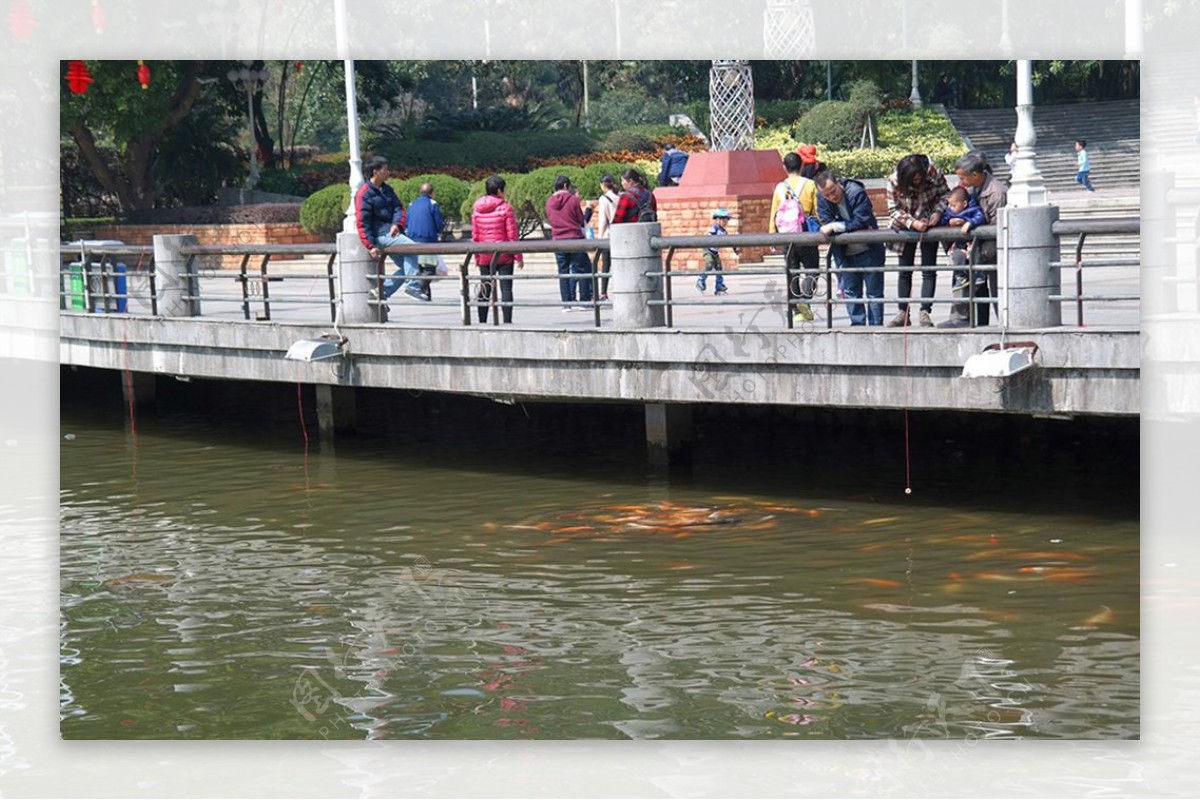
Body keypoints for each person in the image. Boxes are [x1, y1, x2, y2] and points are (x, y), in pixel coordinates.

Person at [938, 150, 1008, 328]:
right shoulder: (969, 189)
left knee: (995, 289)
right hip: (973, 248)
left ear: (975, 175)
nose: (961, 183)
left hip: (989, 250)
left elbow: (996, 227)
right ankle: (967, 320)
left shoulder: (996, 193)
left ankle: (1005, 325)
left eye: (963, 178)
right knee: (968, 282)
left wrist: (972, 225)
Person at [885, 153, 949, 328]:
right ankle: (902, 312)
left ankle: (925, 311)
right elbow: (893, 209)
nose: (917, 181)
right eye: (913, 179)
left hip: (929, 222)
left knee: (929, 269)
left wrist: (937, 213)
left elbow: (946, 195)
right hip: (905, 224)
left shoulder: (934, 172)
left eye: (919, 177)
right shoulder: (893, 180)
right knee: (904, 270)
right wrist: (912, 223)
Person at [815, 169, 885, 326]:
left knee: (874, 295)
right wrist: (837, 226)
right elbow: (825, 220)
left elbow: (862, 219)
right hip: (844, 254)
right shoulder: (821, 198)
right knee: (851, 294)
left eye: (833, 191)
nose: (832, 197)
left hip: (869, 251)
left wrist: (836, 226)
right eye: (827, 195)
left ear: (839, 182)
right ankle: (858, 330)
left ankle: (876, 329)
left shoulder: (855, 192)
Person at [355, 155, 424, 306]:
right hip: (381, 235)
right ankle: (413, 287)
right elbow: (362, 222)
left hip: (392, 232)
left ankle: (383, 291)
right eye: (385, 169)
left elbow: (398, 208)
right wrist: (370, 246)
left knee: (406, 267)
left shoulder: (387, 189)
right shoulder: (364, 194)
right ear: (376, 172)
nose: (389, 172)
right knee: (413, 248)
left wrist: (397, 224)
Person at [769, 151, 820, 322]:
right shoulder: (811, 185)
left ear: (784, 167)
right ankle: (805, 300)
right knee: (812, 269)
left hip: (787, 237)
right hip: (806, 235)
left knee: (792, 273)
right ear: (802, 165)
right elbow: (817, 211)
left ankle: (797, 311)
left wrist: (772, 236)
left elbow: (774, 213)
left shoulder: (779, 187)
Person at [470, 175, 523, 324]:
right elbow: (512, 234)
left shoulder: (477, 208)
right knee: (506, 288)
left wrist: (477, 257)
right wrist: (518, 256)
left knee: (485, 287)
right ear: (500, 190)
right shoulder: (505, 208)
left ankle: (482, 321)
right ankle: (507, 321)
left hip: (484, 253)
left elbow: (475, 235)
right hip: (504, 253)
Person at [545, 175, 593, 310]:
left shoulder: (549, 201)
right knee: (581, 268)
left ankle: (566, 303)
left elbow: (549, 218)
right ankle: (584, 300)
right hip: (574, 238)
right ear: (566, 185)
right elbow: (580, 219)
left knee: (563, 271)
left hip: (558, 239)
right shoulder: (572, 200)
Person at [403, 182, 444, 301]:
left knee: (420, 268)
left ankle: (426, 294)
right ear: (432, 193)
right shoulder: (433, 204)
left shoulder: (412, 204)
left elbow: (407, 222)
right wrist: (439, 232)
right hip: (427, 239)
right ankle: (420, 288)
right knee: (429, 268)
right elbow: (438, 224)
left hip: (412, 239)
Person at [938, 186, 988, 264]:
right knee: (958, 257)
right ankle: (959, 275)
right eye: (949, 205)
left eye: (953, 206)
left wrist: (969, 222)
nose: (951, 208)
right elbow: (941, 222)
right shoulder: (949, 213)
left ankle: (978, 275)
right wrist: (949, 223)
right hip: (957, 244)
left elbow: (980, 217)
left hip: (972, 243)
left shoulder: (973, 209)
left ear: (964, 203)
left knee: (976, 256)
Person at [593, 174, 620, 301]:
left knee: (605, 266)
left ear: (603, 185)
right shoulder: (618, 197)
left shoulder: (604, 199)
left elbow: (603, 221)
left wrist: (599, 237)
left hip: (608, 235)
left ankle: (603, 292)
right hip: (619, 233)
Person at [697, 208, 731, 295]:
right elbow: (709, 237)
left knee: (719, 268)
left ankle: (719, 286)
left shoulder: (724, 232)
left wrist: (735, 249)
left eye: (726, 220)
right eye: (723, 219)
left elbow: (730, 241)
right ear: (717, 220)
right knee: (709, 264)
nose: (725, 222)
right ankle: (701, 280)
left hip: (715, 253)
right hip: (708, 250)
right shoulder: (714, 229)